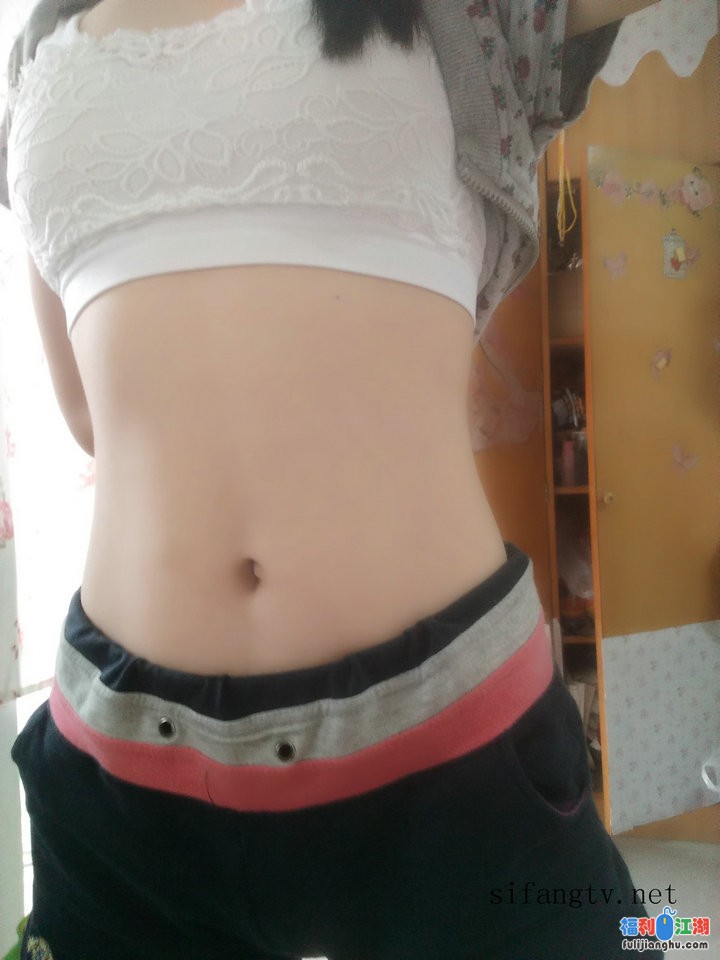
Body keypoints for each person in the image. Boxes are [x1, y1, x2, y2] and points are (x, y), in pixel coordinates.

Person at [1, 1, 665, 957]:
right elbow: (88, 414)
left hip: (454, 756)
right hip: (120, 781)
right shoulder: (39, 48)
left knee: (644, 937)